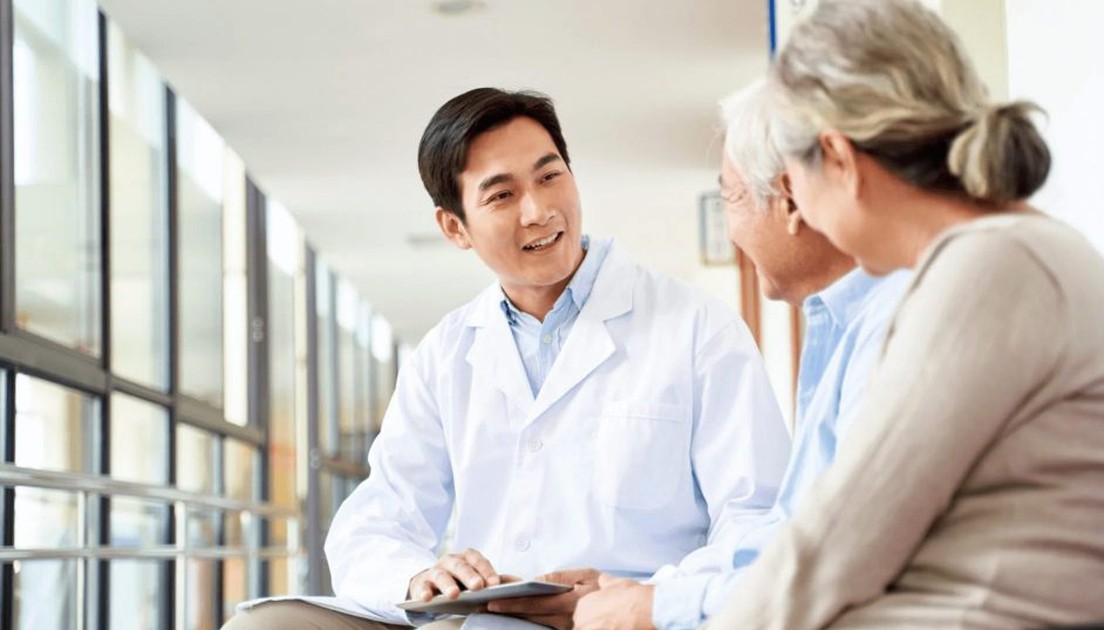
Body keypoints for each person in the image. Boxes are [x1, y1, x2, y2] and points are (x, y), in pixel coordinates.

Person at [222, 88, 789, 630]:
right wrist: (419, 576)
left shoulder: (697, 328)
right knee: (265, 625)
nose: (538, 210)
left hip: (621, 613)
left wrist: (650, 597)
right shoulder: (446, 353)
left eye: (550, 176)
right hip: (481, 613)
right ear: (454, 227)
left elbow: (756, 519)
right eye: (501, 195)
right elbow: (376, 521)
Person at [703, 1, 1104, 628]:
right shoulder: (998, 257)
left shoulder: (991, 268)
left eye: (794, 176)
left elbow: (835, 543)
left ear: (838, 158)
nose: (800, 210)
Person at [573, 80, 912, 630]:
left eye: (729, 198)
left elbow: (843, 562)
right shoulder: (839, 328)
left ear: (790, 199)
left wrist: (655, 609)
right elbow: (786, 532)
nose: (730, 231)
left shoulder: (894, 326)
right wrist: (655, 591)